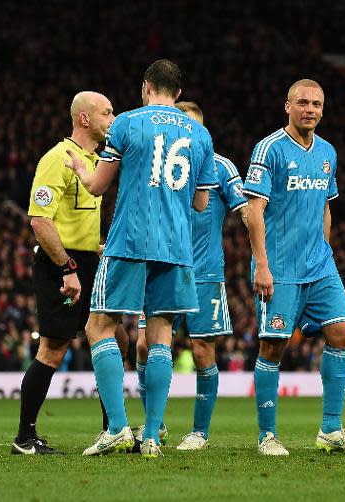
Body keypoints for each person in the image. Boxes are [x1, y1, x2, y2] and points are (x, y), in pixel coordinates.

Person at [65, 60, 218, 458]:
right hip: (177, 248)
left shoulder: (127, 123)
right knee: (161, 332)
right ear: (179, 93)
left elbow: (99, 187)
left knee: (99, 326)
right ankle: (151, 436)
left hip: (130, 241)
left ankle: (117, 427)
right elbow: (202, 202)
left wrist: (83, 170)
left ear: (146, 86)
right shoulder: (201, 135)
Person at [243, 79, 345, 456]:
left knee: (342, 335)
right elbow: (254, 209)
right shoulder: (270, 149)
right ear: (287, 106)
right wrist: (261, 265)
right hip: (279, 268)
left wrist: (325, 251)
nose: (310, 109)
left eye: (316, 103)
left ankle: (331, 429)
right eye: (302, 103)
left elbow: (327, 207)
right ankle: (268, 435)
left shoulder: (328, 152)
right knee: (273, 346)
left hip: (319, 267)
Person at [11, 91, 129, 455]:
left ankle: (112, 429)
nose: (112, 118)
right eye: (106, 113)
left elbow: (78, 218)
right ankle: (25, 439)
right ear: (84, 119)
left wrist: (95, 247)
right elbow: (40, 220)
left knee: (117, 338)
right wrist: (67, 267)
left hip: (87, 261)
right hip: (60, 265)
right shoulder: (58, 159)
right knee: (53, 348)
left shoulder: (95, 162)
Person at [135, 101, 248, 451]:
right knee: (143, 346)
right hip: (163, 269)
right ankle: (157, 423)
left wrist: (263, 251)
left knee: (202, 352)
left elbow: (245, 209)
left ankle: (199, 432)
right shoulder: (160, 167)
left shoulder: (220, 167)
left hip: (205, 275)